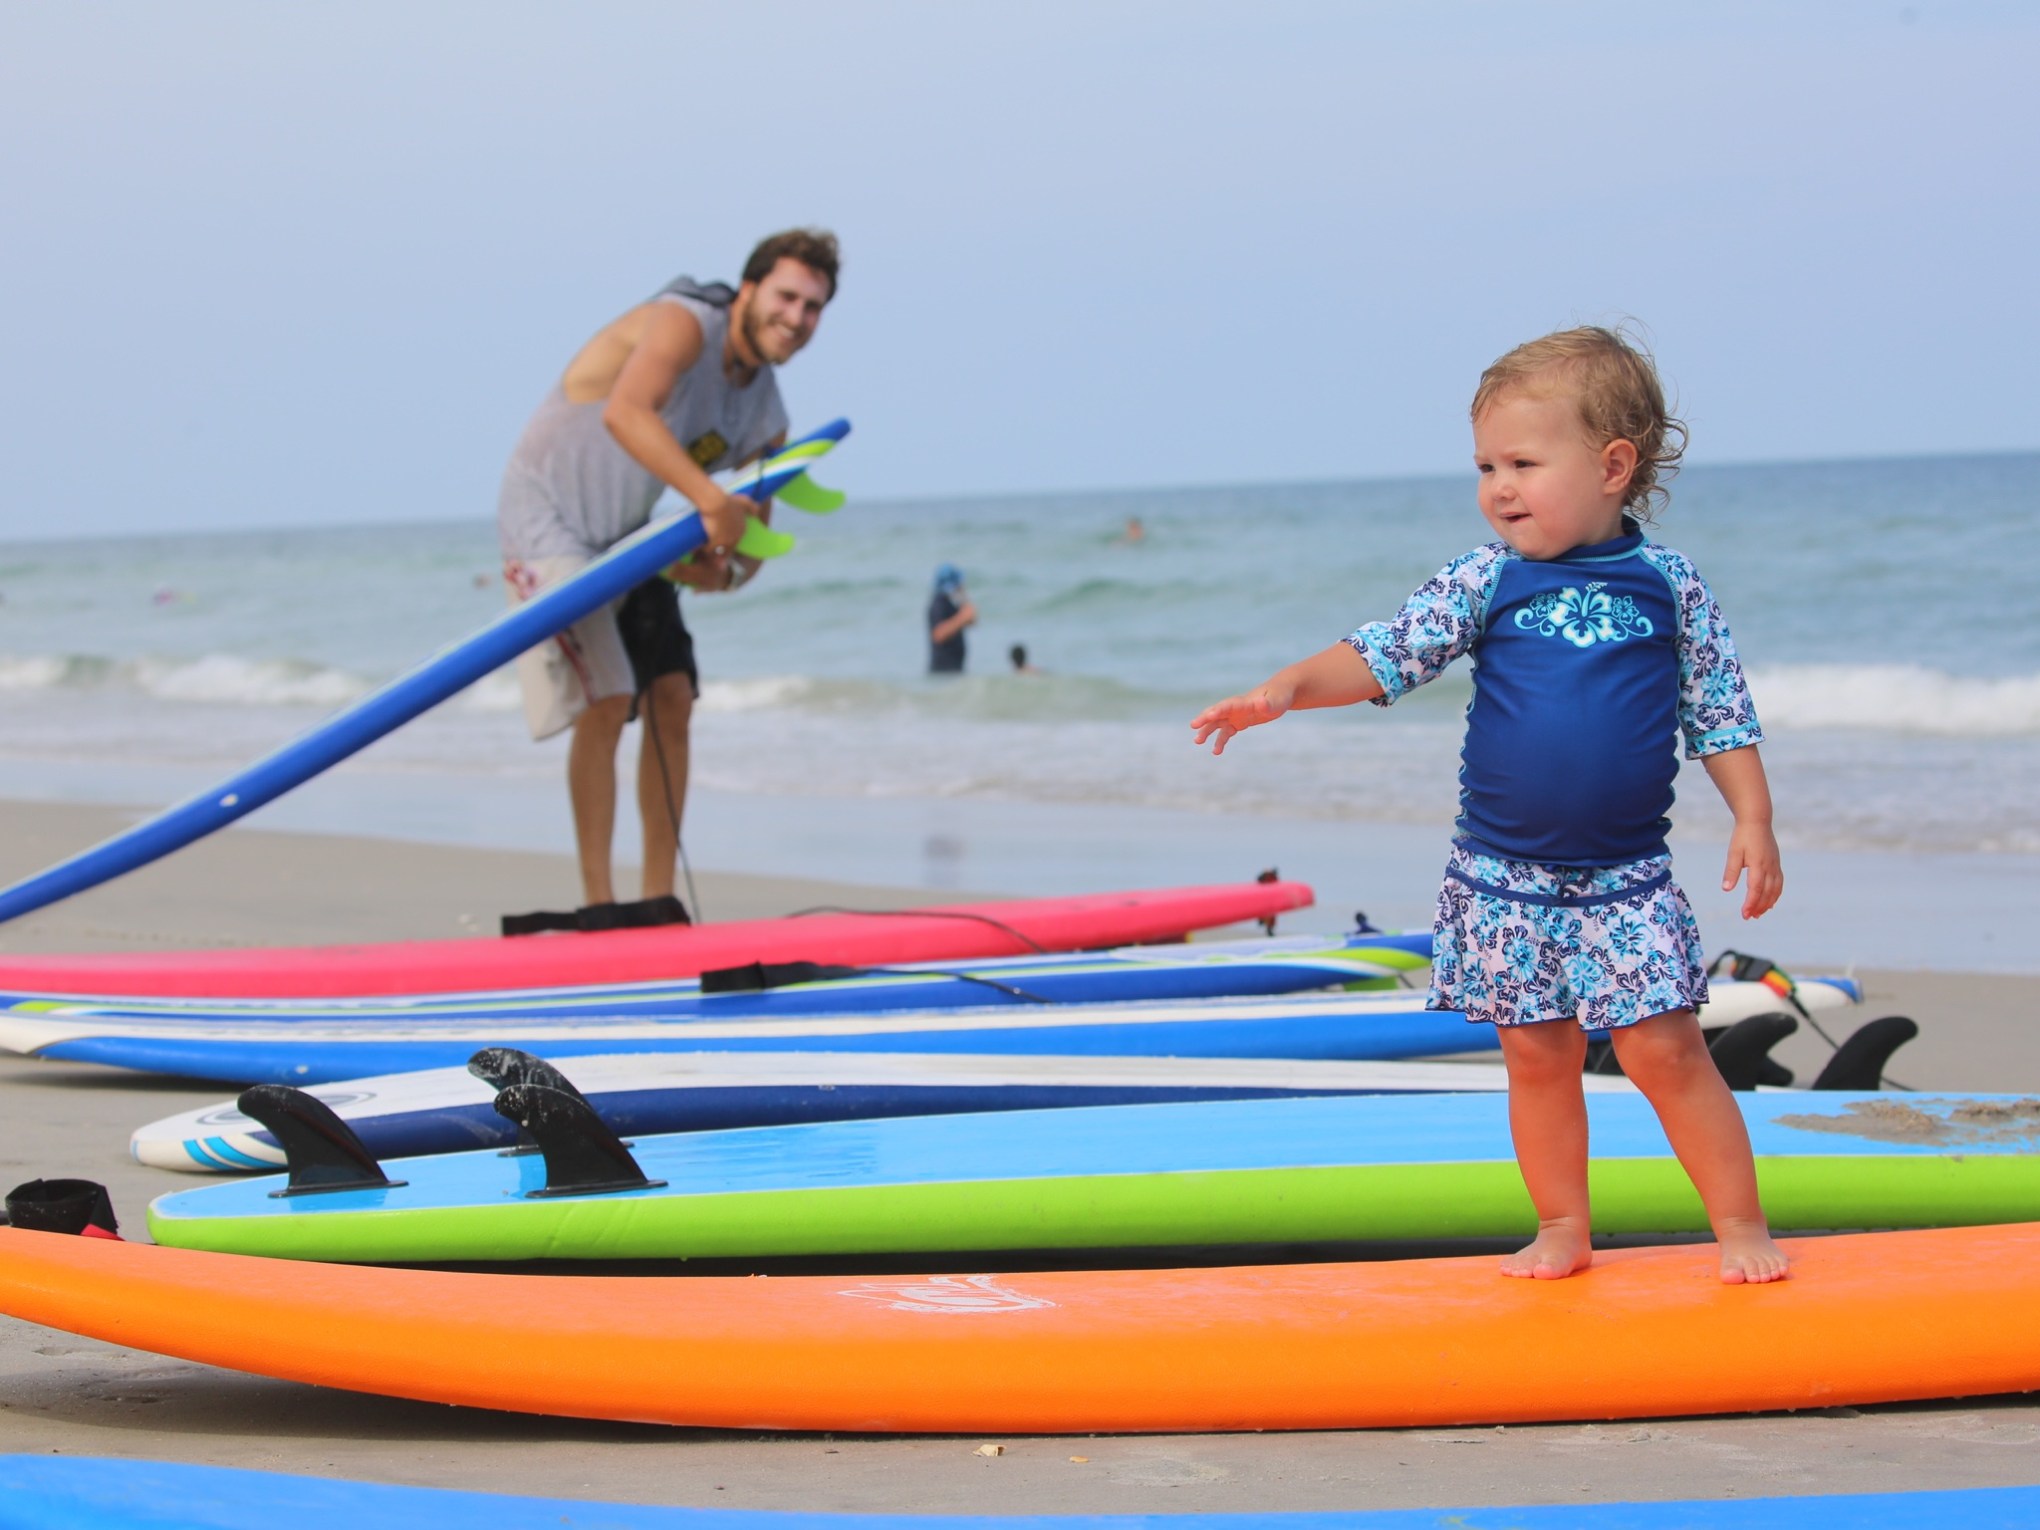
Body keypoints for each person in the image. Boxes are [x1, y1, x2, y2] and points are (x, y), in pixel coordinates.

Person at [1191, 326, 1787, 1286]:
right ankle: (1562, 1226)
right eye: (1485, 465)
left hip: (1627, 881)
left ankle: (1740, 1224)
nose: (1498, 486)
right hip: (1501, 878)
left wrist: (1753, 819)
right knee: (1537, 1056)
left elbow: (1718, 712)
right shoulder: (1487, 578)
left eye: (1522, 462)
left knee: (1666, 1051)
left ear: (1612, 466)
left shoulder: (1669, 588)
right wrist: (1288, 687)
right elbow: (1386, 653)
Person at [498, 229, 839, 918]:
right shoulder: (685, 320)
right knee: (607, 695)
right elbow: (627, 413)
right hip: (548, 519)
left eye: (814, 307)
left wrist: (722, 570)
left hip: (629, 535)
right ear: (748, 290)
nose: (798, 319)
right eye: (787, 297)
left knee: (673, 695)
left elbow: (748, 547)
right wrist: (711, 499)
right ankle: (599, 906)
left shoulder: (766, 413)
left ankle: (656, 902)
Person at [927, 564, 976, 674]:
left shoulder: (952, 603)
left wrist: (964, 599)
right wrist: (962, 618)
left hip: (954, 667)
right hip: (943, 670)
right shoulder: (939, 603)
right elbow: (938, 634)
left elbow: (972, 619)